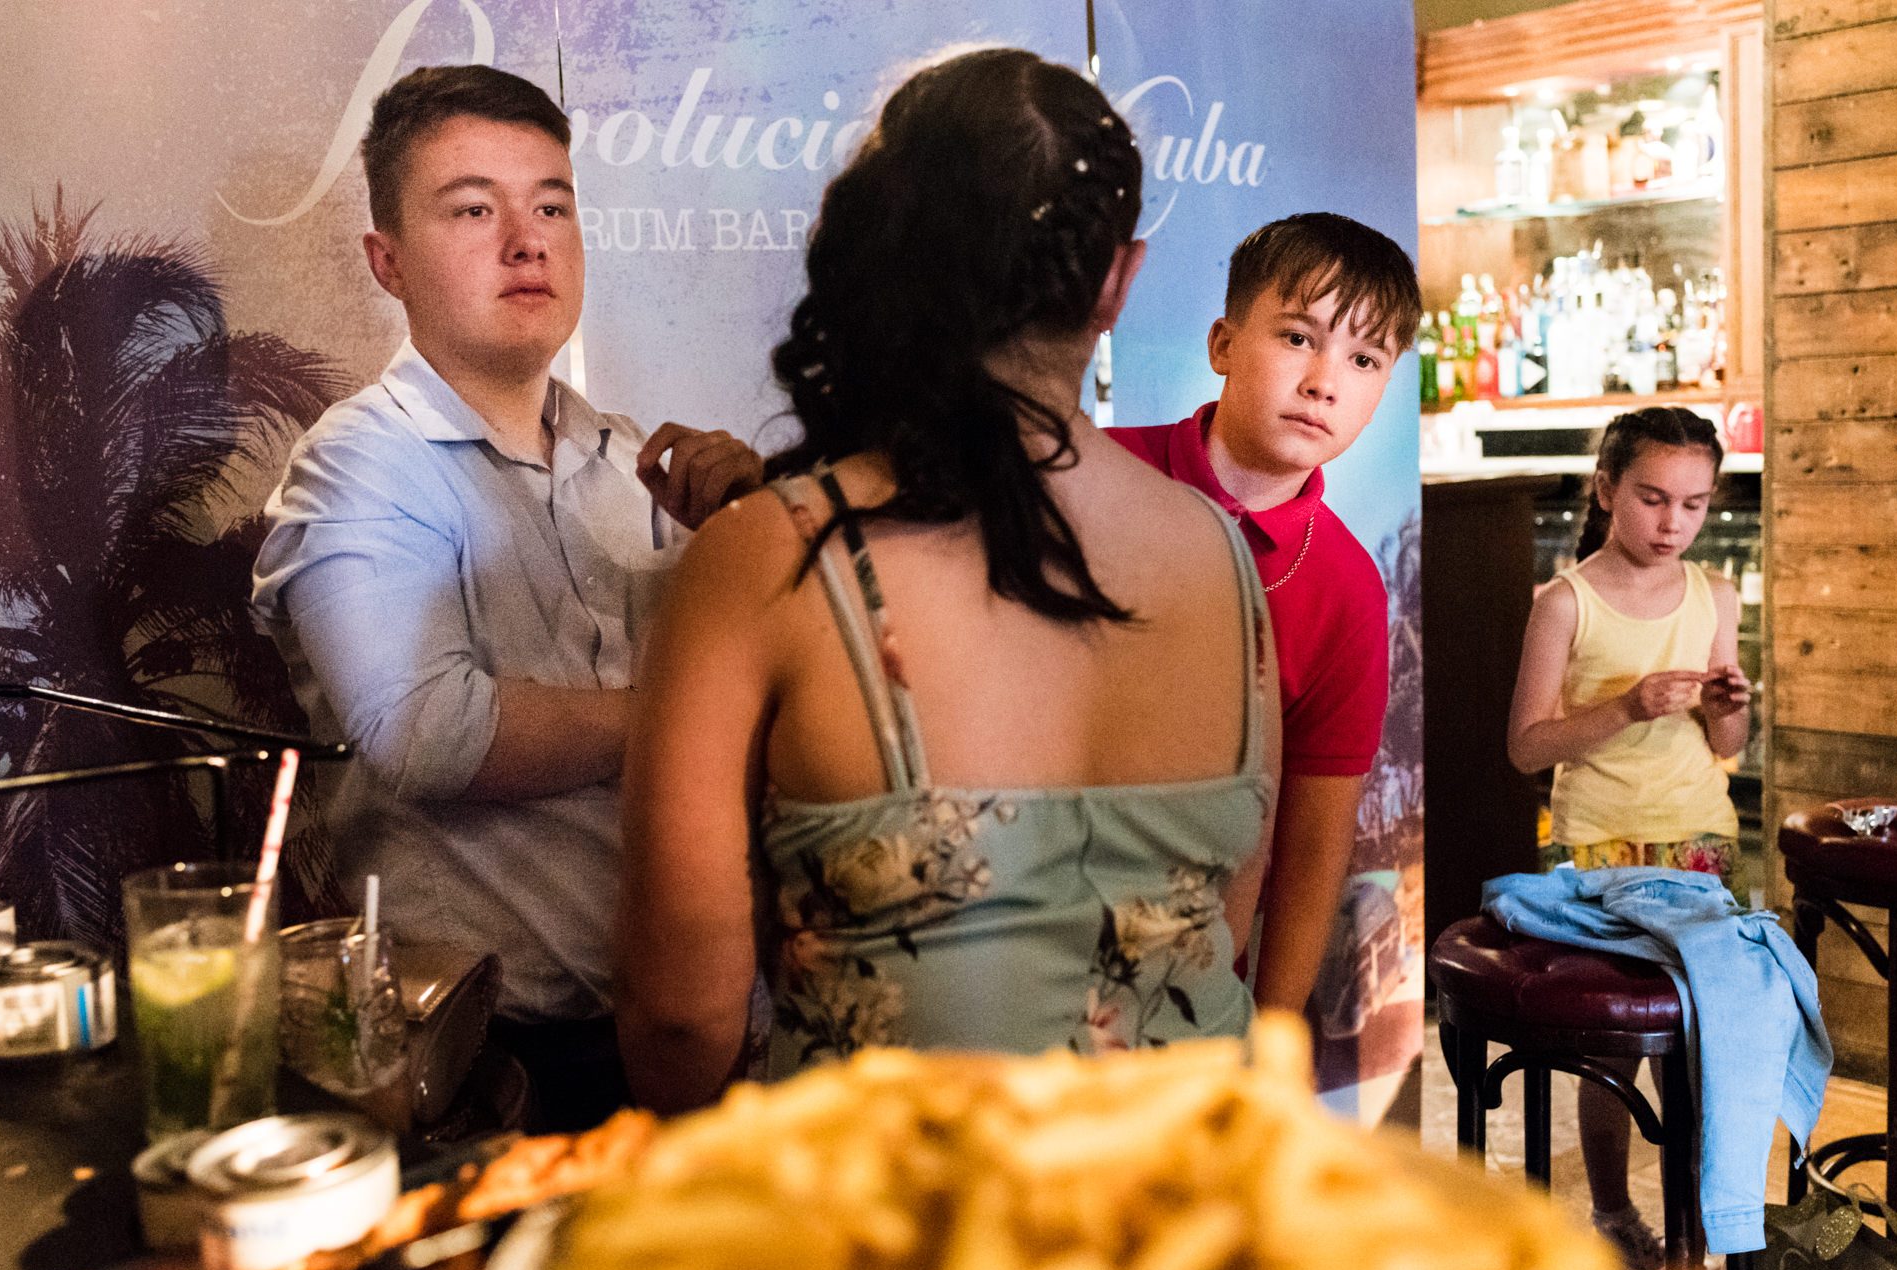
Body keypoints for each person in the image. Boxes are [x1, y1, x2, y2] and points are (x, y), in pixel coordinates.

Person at [615, 47, 1281, 1115]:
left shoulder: (760, 559)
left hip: (895, 1233)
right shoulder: (1221, 555)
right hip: (1191, 1214)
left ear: (878, 254)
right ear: (1118, 276)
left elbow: (677, 1020)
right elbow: (1218, 926)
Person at [249, 65, 760, 1130]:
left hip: (711, 1029)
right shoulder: (357, 465)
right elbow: (430, 731)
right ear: (385, 261)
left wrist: (760, 538)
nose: (527, 241)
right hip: (500, 1070)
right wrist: (690, 715)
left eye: (552, 205)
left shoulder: (639, 458)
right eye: (474, 208)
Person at [1107, 212, 1419, 1012]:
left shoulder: (1349, 585)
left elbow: (1314, 847)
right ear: (1221, 345)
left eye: (1363, 357)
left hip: (1192, 984)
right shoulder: (1100, 472)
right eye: (1296, 337)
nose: (1325, 380)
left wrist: (1272, 1038)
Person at [1504, 405, 1750, 1270]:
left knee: (1708, 1041)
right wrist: (1624, 707)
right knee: (1612, 1045)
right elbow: (1527, 745)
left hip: (1699, 841)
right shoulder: (1564, 603)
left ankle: (1696, 1229)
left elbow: (1728, 749)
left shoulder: (1714, 595)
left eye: (1693, 504)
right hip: (1597, 848)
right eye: (1652, 498)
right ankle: (1612, 1212)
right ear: (1608, 489)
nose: (1672, 522)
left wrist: (1732, 710)